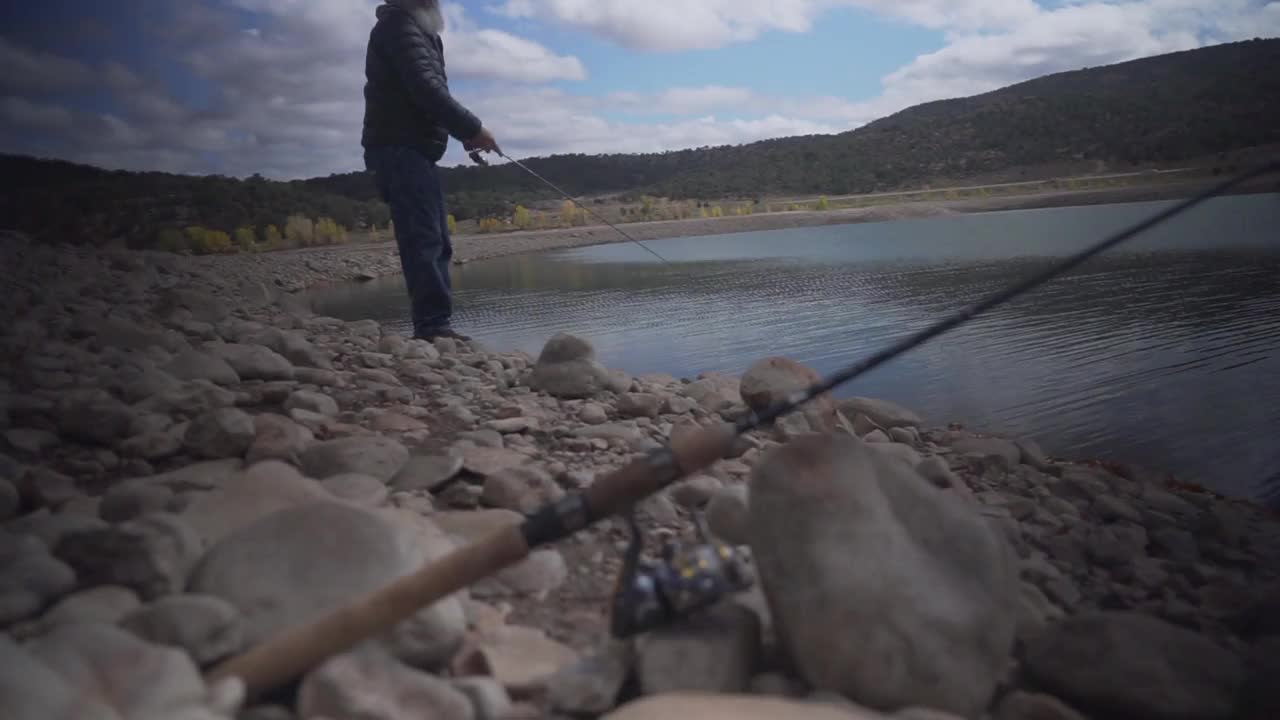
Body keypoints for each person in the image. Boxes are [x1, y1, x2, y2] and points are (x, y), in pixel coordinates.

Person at [360, 0, 500, 342]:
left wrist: (463, 136)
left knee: (437, 241)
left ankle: (435, 325)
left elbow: (431, 93)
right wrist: (473, 129)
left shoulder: (418, 32)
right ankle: (432, 328)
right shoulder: (399, 28)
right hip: (398, 150)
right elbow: (426, 89)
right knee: (424, 241)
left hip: (415, 152)